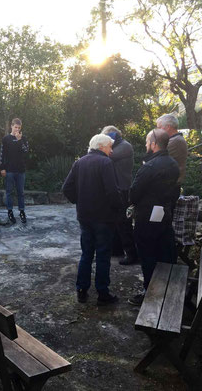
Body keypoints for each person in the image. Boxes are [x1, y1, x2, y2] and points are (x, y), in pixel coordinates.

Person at [62, 134, 123, 305]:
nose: (111, 151)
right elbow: (112, 192)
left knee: (86, 254)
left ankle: (81, 290)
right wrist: (118, 207)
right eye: (110, 147)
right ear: (102, 146)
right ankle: (103, 293)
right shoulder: (105, 163)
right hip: (103, 218)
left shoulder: (79, 162)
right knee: (103, 255)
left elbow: (66, 187)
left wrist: (79, 201)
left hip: (84, 217)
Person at [128, 129, 180, 306]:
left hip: (147, 218)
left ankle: (149, 293)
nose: (145, 145)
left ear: (154, 144)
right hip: (164, 214)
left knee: (148, 255)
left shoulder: (149, 166)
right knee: (163, 253)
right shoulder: (173, 163)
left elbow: (133, 195)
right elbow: (175, 190)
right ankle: (164, 290)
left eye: (147, 141)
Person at [101, 126, 138, 266]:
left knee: (124, 222)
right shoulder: (119, 145)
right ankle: (117, 249)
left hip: (123, 189)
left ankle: (131, 254)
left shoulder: (125, 146)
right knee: (114, 220)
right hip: (116, 188)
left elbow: (106, 156)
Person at [0, 118, 29, 224]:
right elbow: (2, 154)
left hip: (20, 170)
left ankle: (22, 212)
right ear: (11, 126)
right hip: (9, 170)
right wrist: (2, 168)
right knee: (9, 192)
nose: (17, 129)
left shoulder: (23, 138)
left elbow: (26, 152)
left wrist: (19, 140)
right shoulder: (6, 139)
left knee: (20, 192)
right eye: (15, 127)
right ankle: (10, 212)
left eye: (19, 128)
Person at [157, 113, 187, 195]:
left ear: (168, 127)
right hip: (169, 184)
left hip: (169, 186)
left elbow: (154, 159)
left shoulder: (175, 141)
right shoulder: (175, 139)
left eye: (159, 127)